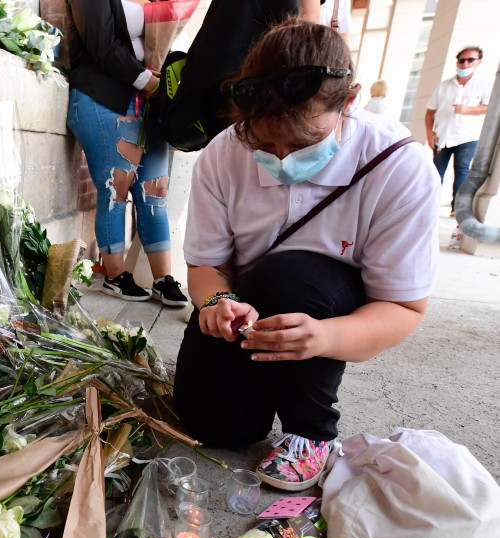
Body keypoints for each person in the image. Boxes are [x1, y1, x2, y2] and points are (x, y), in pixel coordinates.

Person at [173, 19, 438, 491]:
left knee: (289, 275)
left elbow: (403, 307)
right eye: (265, 143)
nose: (281, 158)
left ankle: (311, 432)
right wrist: (216, 304)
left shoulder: (399, 165)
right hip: (251, 306)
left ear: (349, 103)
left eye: (302, 144)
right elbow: (206, 267)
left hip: (322, 303)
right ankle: (265, 389)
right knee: (215, 428)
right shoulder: (223, 155)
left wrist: (322, 338)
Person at [64, 0, 188, 306]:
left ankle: (163, 280)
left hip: (151, 104)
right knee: (117, 184)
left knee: (156, 189)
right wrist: (149, 81)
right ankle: (115, 275)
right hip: (103, 96)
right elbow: (100, 44)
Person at [425, 46, 491, 216]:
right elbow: (430, 111)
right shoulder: (444, 86)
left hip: (467, 137)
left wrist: (466, 110)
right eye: (462, 60)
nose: (465, 63)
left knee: (462, 171)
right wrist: (429, 133)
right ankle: (428, 205)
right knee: (435, 172)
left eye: (470, 60)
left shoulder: (483, 84)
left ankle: (457, 209)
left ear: (478, 62)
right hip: (443, 136)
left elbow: (488, 107)